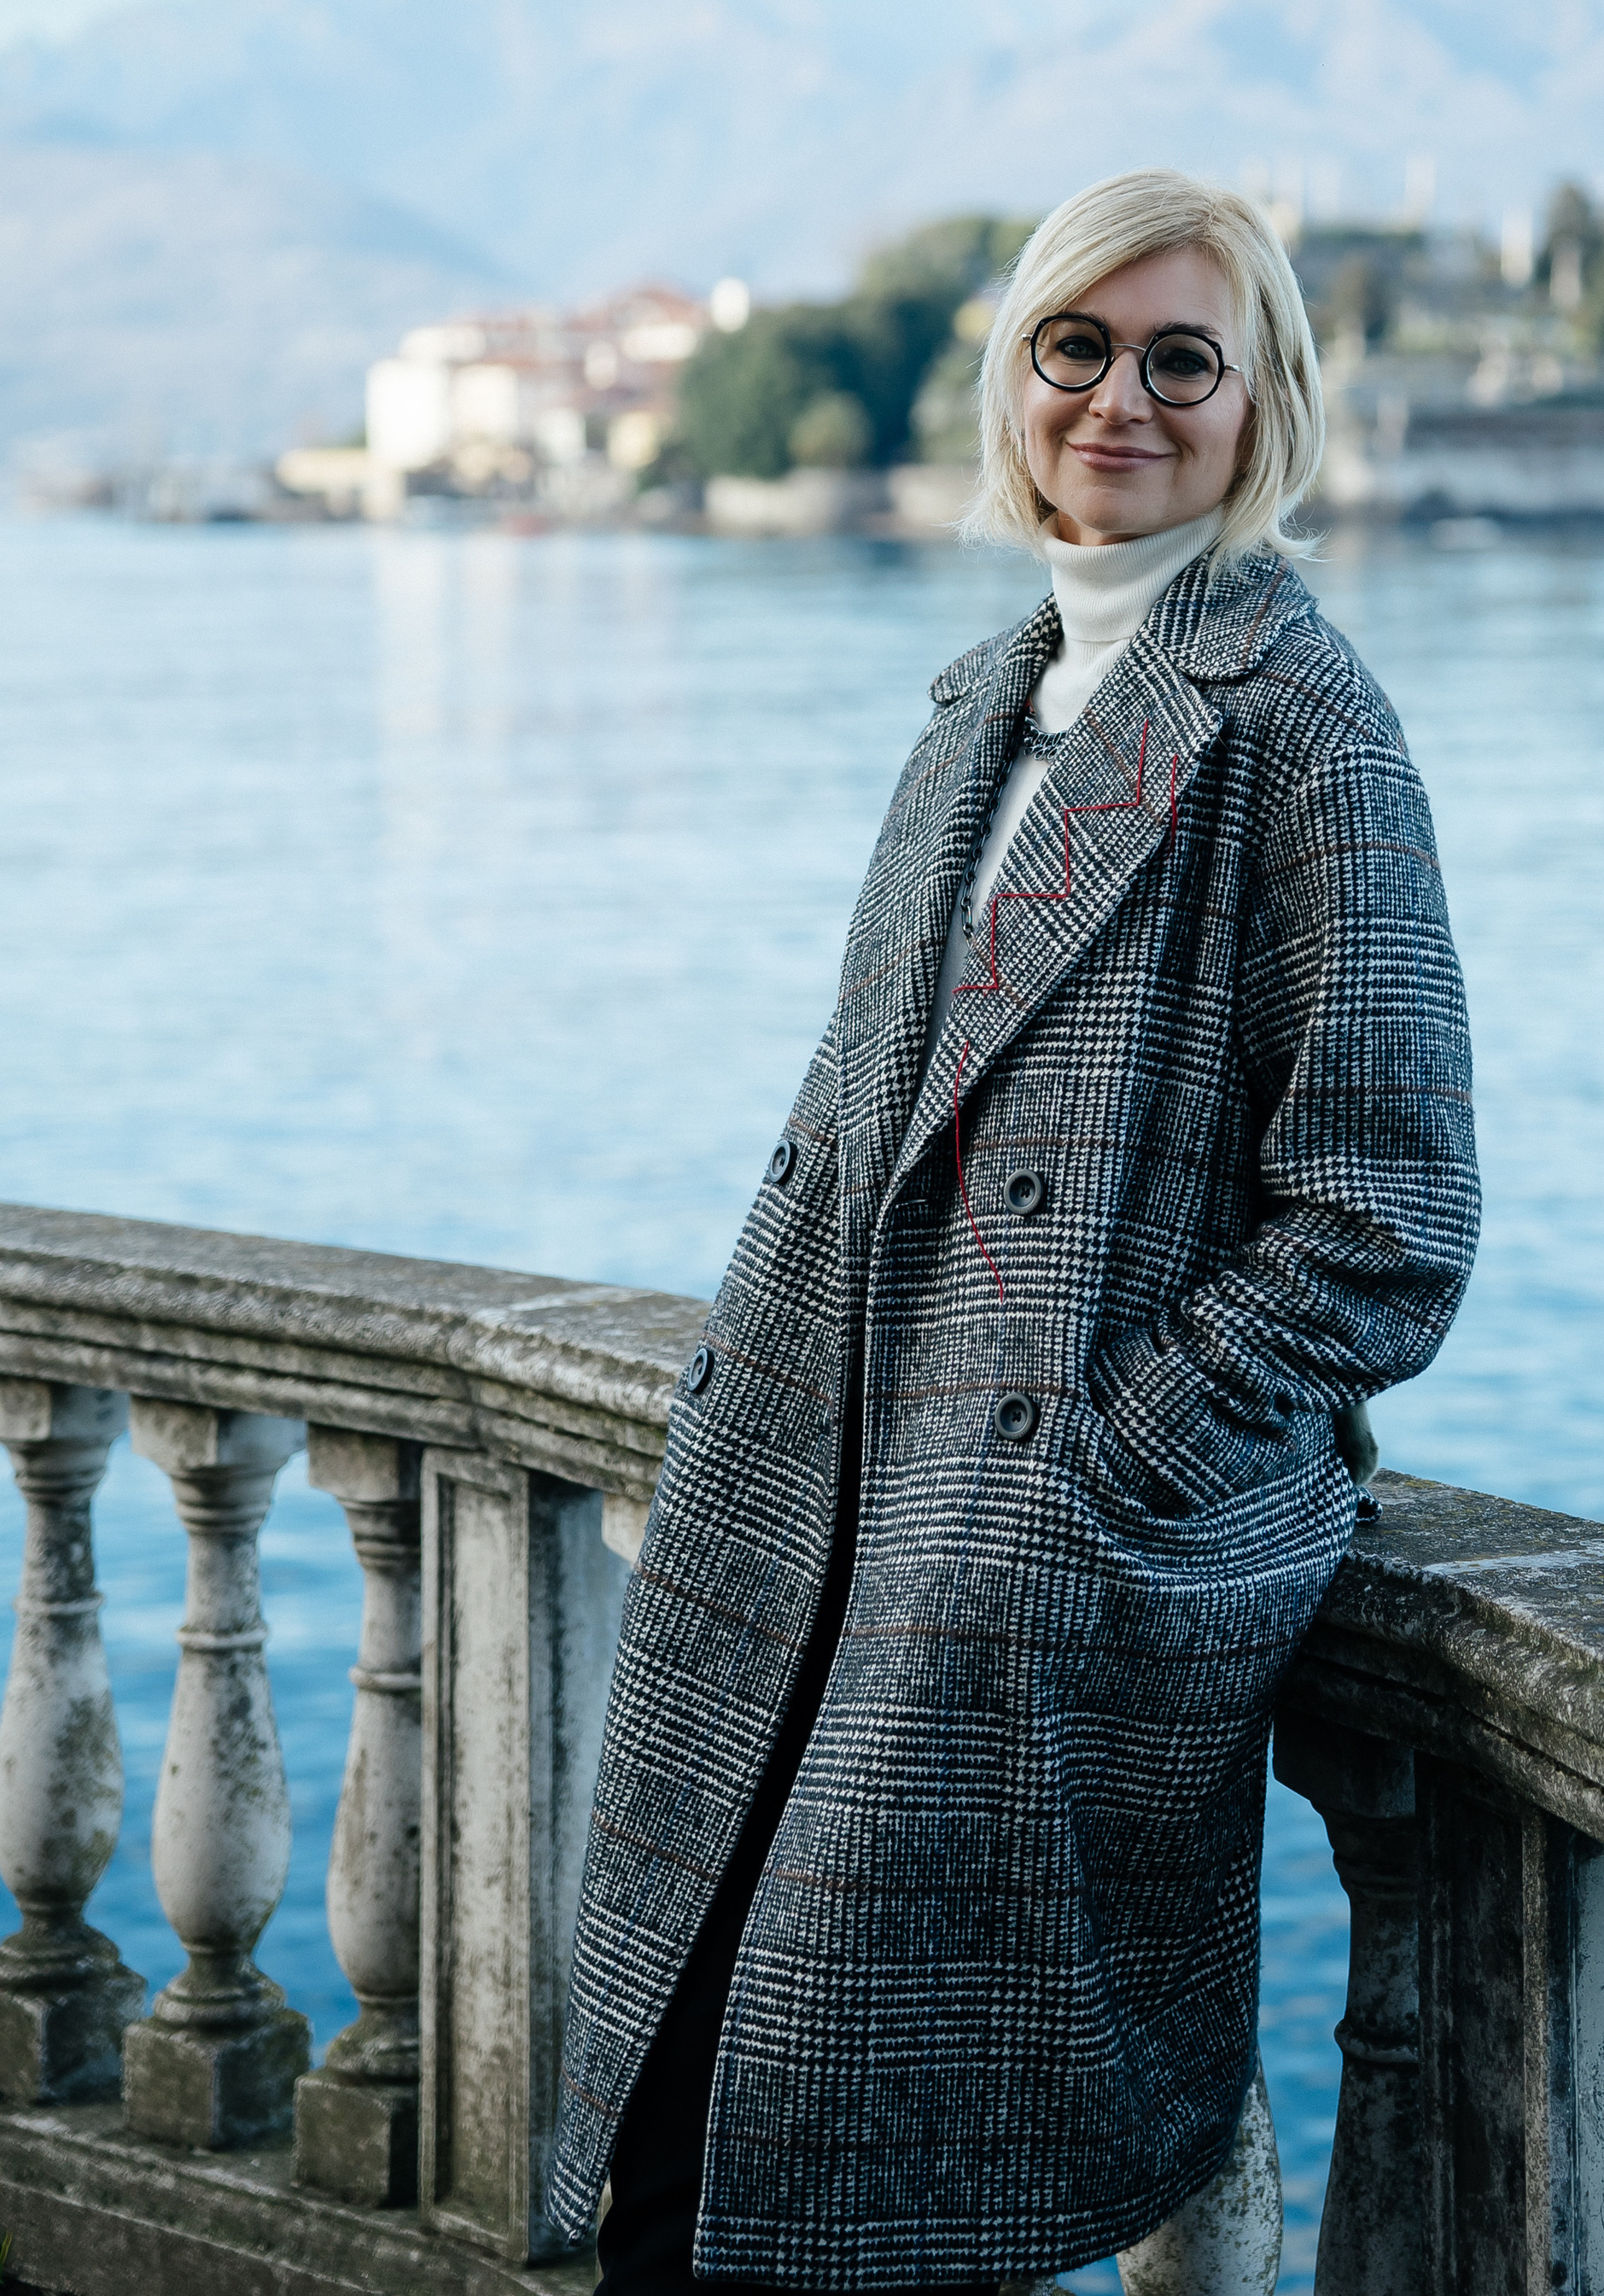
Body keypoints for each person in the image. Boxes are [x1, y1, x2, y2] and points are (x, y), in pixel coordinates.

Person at [549, 168, 1480, 2295]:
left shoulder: (1301, 726)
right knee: (677, 2133)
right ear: (1016, 377)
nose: (1119, 400)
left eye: (1182, 360)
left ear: (1263, 409)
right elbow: (854, 1123)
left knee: (823, 2193)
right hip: (805, 1507)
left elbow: (1388, 1220)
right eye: (1079, 346)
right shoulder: (981, 702)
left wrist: (1087, 1473)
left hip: (1009, 1578)